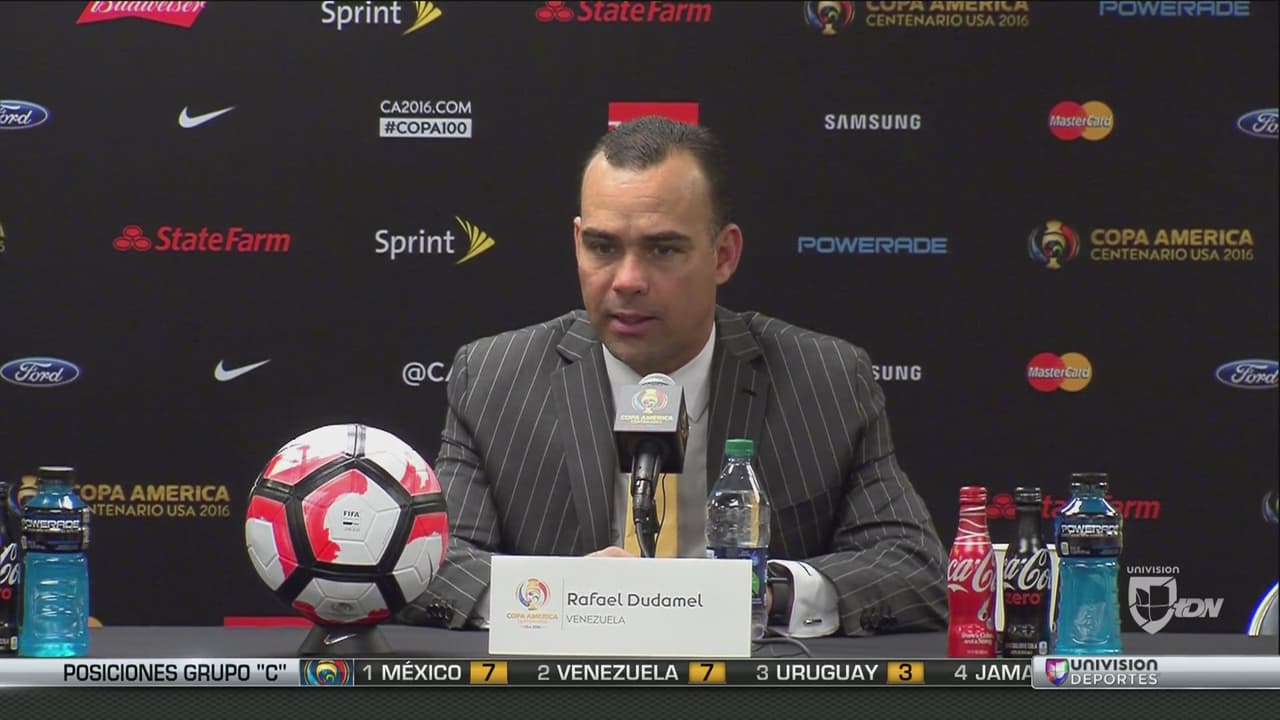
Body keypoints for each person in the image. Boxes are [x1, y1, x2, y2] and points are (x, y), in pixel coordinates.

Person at [399, 116, 948, 637]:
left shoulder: (826, 381)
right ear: (576, 243)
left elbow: (913, 567)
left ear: (723, 255)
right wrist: (569, 596)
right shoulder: (494, 379)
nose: (628, 280)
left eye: (662, 249)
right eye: (603, 247)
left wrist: (758, 592)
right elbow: (429, 563)